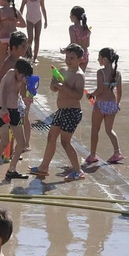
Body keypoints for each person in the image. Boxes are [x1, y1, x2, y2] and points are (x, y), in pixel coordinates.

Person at [31, 44, 87, 179]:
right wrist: (54, 84)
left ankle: (78, 170)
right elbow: (54, 89)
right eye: (67, 57)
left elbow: (78, 95)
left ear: (81, 59)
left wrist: (63, 87)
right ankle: (44, 167)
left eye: (72, 58)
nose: (68, 60)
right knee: (51, 138)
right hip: (61, 111)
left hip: (72, 112)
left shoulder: (79, 75)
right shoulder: (62, 70)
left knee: (65, 142)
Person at [84, 46, 123, 167]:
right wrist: (117, 104)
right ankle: (117, 152)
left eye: (99, 57)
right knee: (109, 130)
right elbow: (120, 92)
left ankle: (92, 155)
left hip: (100, 104)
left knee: (95, 130)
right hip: (112, 104)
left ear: (104, 59)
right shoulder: (117, 73)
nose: (98, 60)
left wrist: (91, 95)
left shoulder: (100, 72)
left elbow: (100, 90)